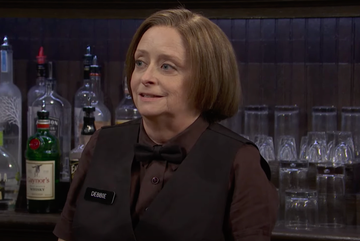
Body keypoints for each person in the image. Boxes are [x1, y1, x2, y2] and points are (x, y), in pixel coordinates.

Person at [54, 8, 278, 241]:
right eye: (140, 63)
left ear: (206, 78)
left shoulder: (240, 161)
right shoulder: (101, 144)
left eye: (166, 66)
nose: (145, 77)